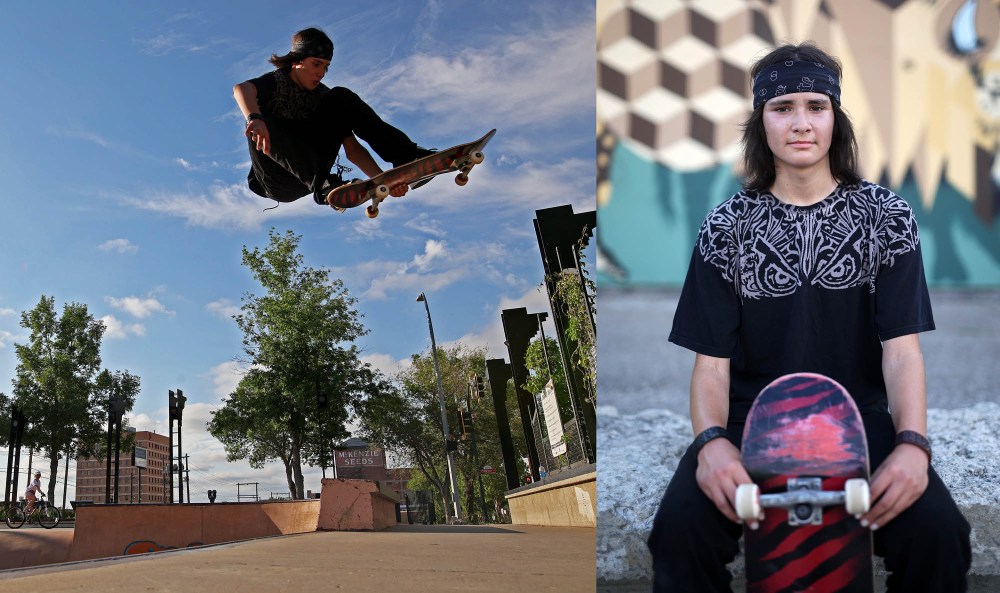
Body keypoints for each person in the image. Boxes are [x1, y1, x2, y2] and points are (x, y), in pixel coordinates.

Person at [646, 42, 972, 593]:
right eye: (783, 108)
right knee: (678, 535)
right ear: (761, 123)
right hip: (750, 424)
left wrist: (913, 445)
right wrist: (711, 444)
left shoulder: (886, 217)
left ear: (835, 119)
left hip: (859, 424)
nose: (801, 123)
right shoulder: (726, 227)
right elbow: (712, 365)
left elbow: (902, 350)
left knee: (941, 535)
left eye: (816, 107)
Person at [233, 27, 433, 208]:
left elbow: (352, 150)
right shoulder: (276, 81)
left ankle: (406, 156)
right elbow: (242, 89)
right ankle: (323, 184)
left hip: (308, 175)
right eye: (316, 64)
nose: (321, 73)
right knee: (258, 112)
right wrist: (254, 118)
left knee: (341, 96)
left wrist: (383, 180)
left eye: (326, 67)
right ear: (297, 61)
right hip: (276, 179)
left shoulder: (323, 96)